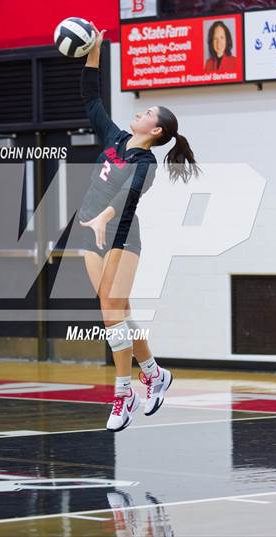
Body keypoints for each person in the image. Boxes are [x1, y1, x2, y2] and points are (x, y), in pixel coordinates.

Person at [78, 23, 200, 432]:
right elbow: (91, 98)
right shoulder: (114, 137)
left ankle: (123, 392)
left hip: (121, 236)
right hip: (90, 231)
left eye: (149, 114)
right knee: (120, 311)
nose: (141, 112)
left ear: (156, 130)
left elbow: (127, 196)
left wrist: (103, 217)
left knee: (110, 307)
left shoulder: (146, 163)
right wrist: (95, 49)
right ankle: (153, 372)